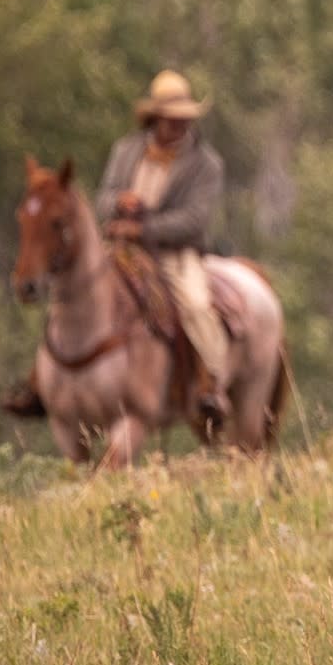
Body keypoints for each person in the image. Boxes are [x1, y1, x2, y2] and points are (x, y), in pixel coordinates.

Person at [95, 70, 230, 430]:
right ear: (155, 118)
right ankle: (48, 381)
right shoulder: (125, 152)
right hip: (121, 248)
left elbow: (194, 221)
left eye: (185, 120)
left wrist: (144, 227)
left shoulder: (206, 164)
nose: (179, 126)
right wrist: (117, 204)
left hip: (174, 253)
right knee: (77, 292)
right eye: (173, 120)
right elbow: (103, 197)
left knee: (197, 304)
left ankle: (212, 380)